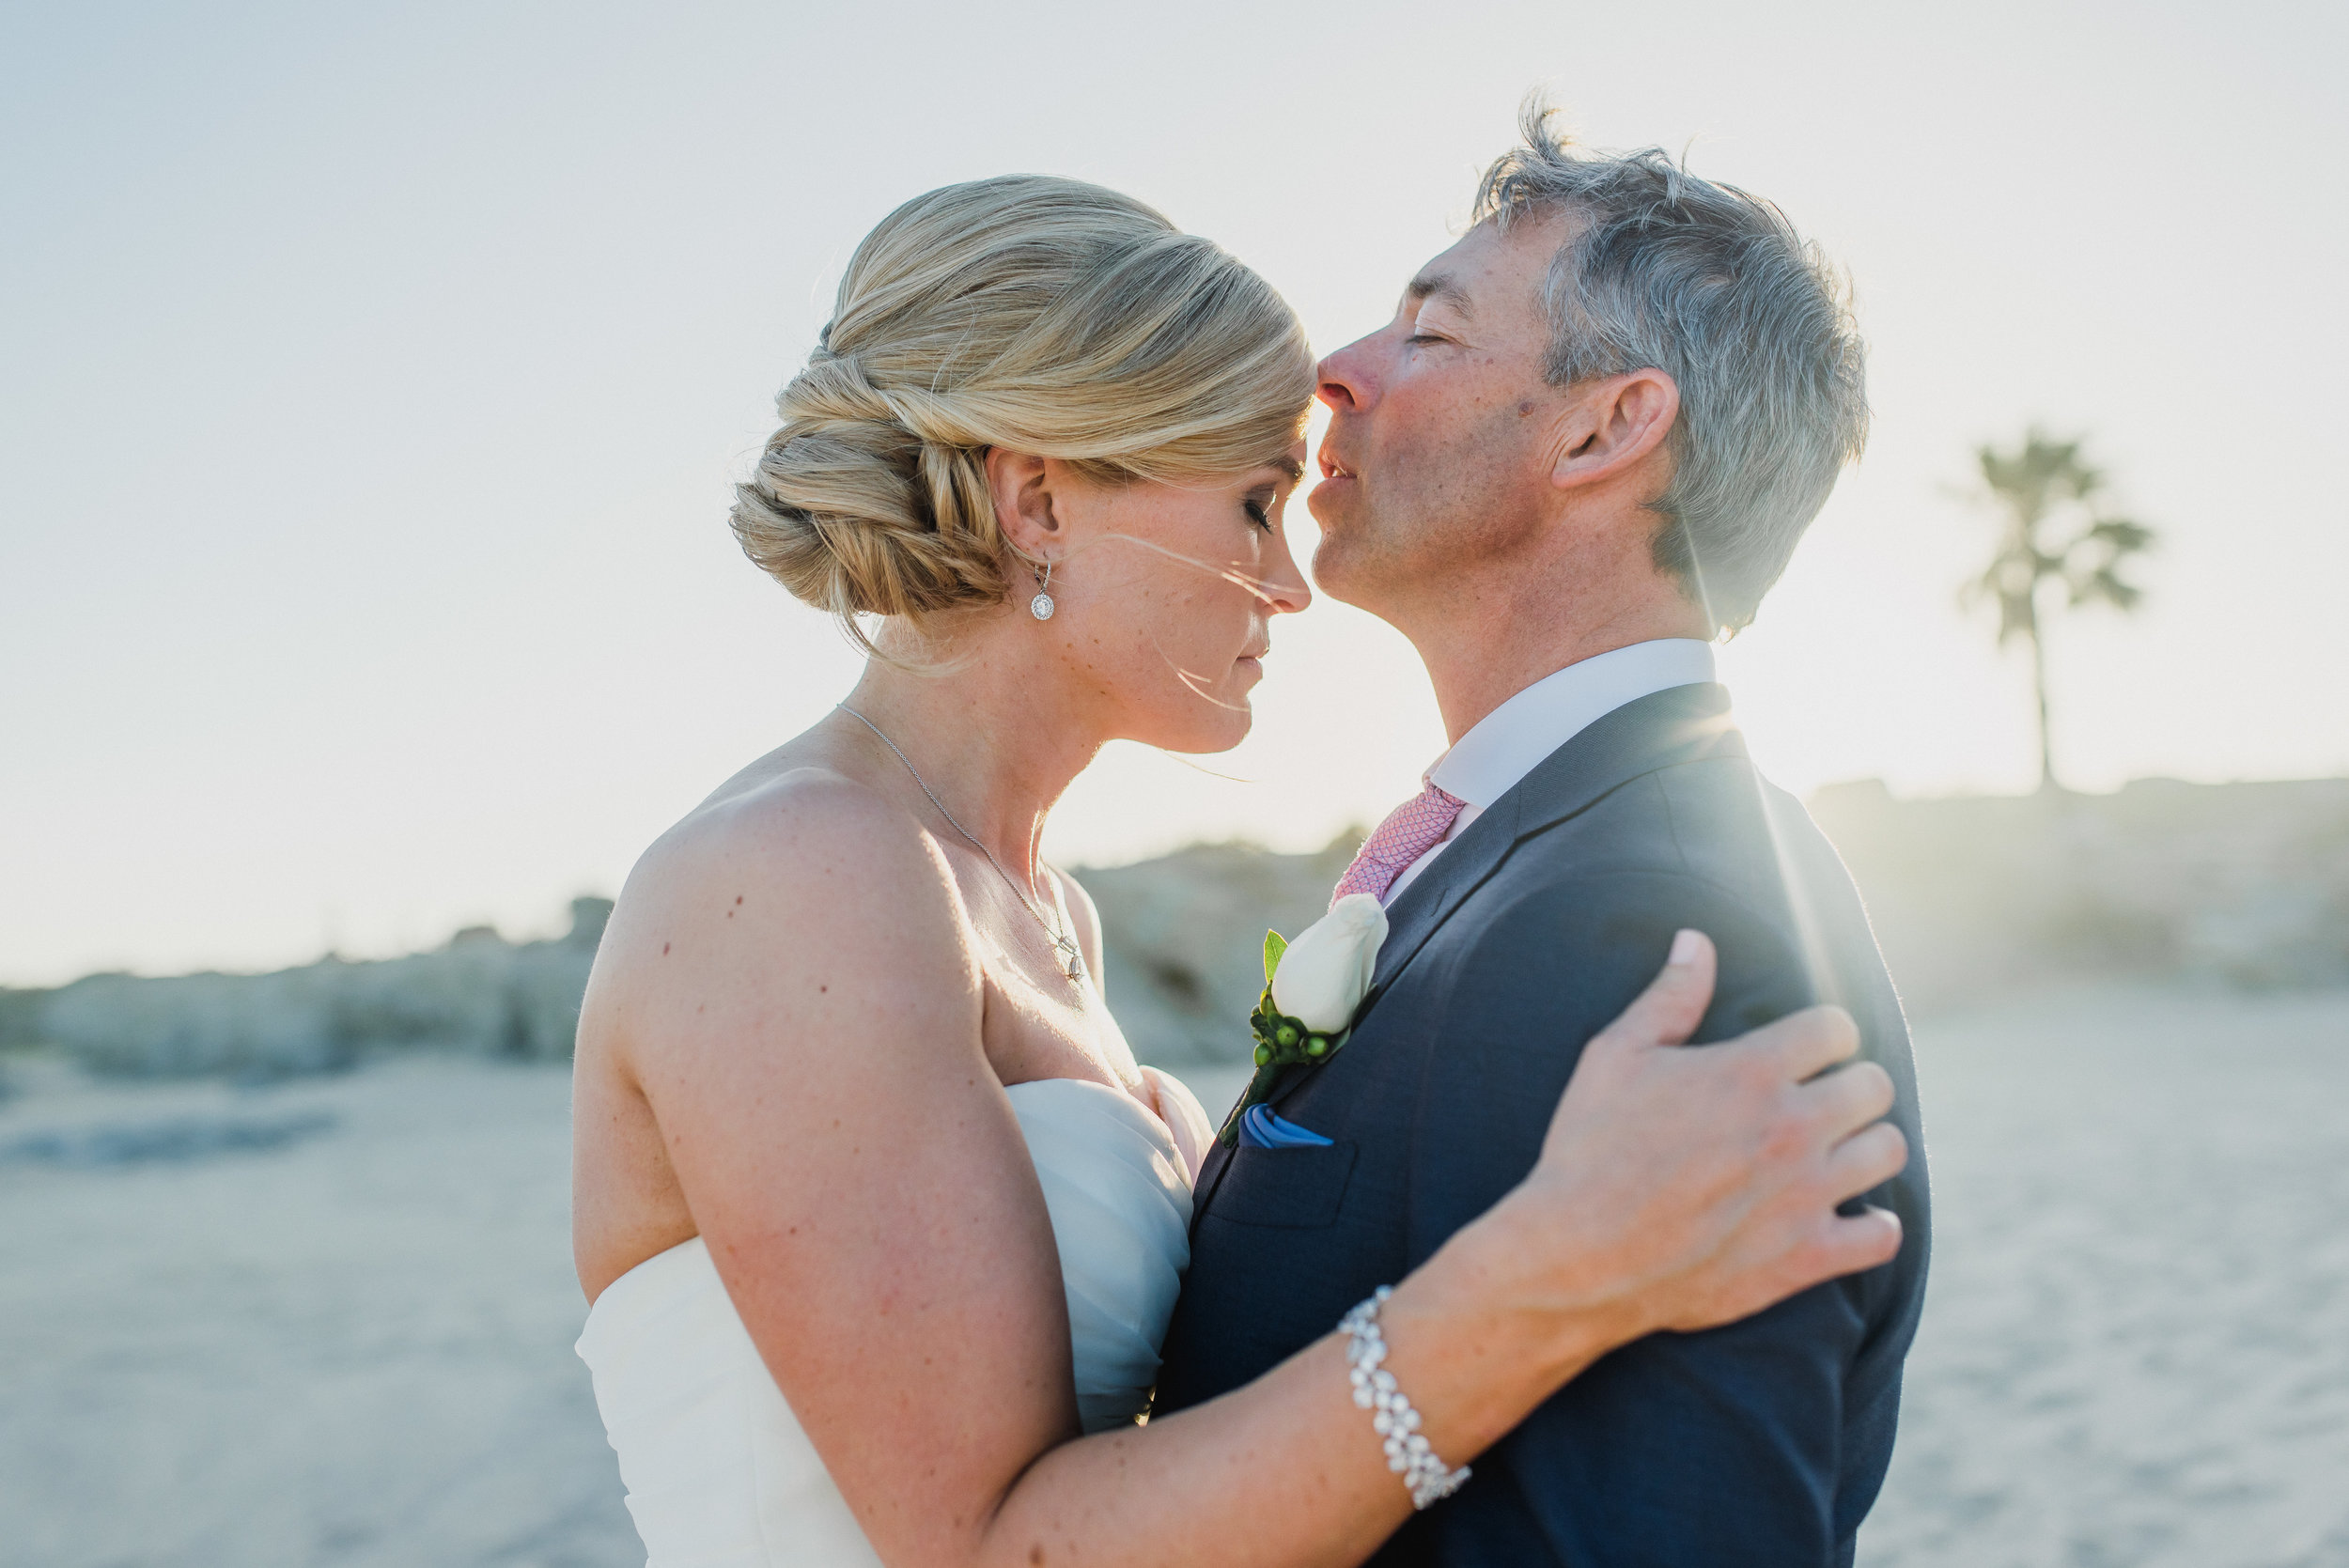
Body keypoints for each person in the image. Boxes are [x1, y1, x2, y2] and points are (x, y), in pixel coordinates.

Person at [569, 168, 1908, 1568]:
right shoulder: (795, 877)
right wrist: (1533, 1287)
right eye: (1255, 504)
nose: (1287, 579)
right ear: (1038, 504)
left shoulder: (1045, 910)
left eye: (1433, 333)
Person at [1154, 101, 1933, 1566]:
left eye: (1429, 336)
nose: (1337, 372)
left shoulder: (1663, 929)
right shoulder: (1544, 851)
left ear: (1605, 426)